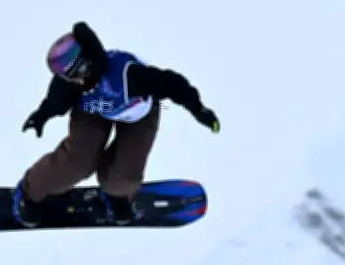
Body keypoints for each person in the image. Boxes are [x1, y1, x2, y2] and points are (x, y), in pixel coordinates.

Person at [14, 21, 220, 227]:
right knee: (77, 162)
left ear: (90, 59)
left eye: (81, 70)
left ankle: (116, 195)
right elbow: (56, 100)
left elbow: (174, 85)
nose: (78, 79)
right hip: (91, 111)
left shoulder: (129, 76)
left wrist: (198, 109)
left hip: (137, 112)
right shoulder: (71, 83)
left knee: (125, 173)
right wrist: (41, 115)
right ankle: (29, 192)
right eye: (70, 76)